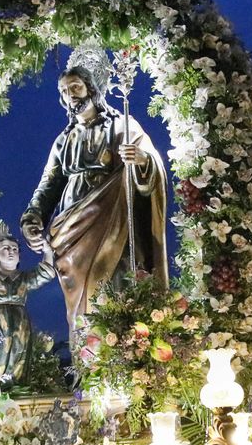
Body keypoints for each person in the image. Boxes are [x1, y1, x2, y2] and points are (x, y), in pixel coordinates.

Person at [20, 43, 168, 342]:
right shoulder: (64, 140)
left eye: (74, 87)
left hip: (114, 222)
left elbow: (152, 165)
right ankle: (88, 367)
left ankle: (124, 359)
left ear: (91, 88)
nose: (69, 95)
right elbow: (49, 183)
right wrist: (33, 215)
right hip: (73, 231)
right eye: (63, 91)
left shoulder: (122, 125)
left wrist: (140, 160)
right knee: (82, 305)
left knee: (116, 287)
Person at [0, 221, 55, 384]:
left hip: (21, 327)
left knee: (19, 355)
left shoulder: (24, 278)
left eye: (14, 249)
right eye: (5, 249)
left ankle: (18, 385)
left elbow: (44, 273)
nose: (11, 252)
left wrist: (48, 251)